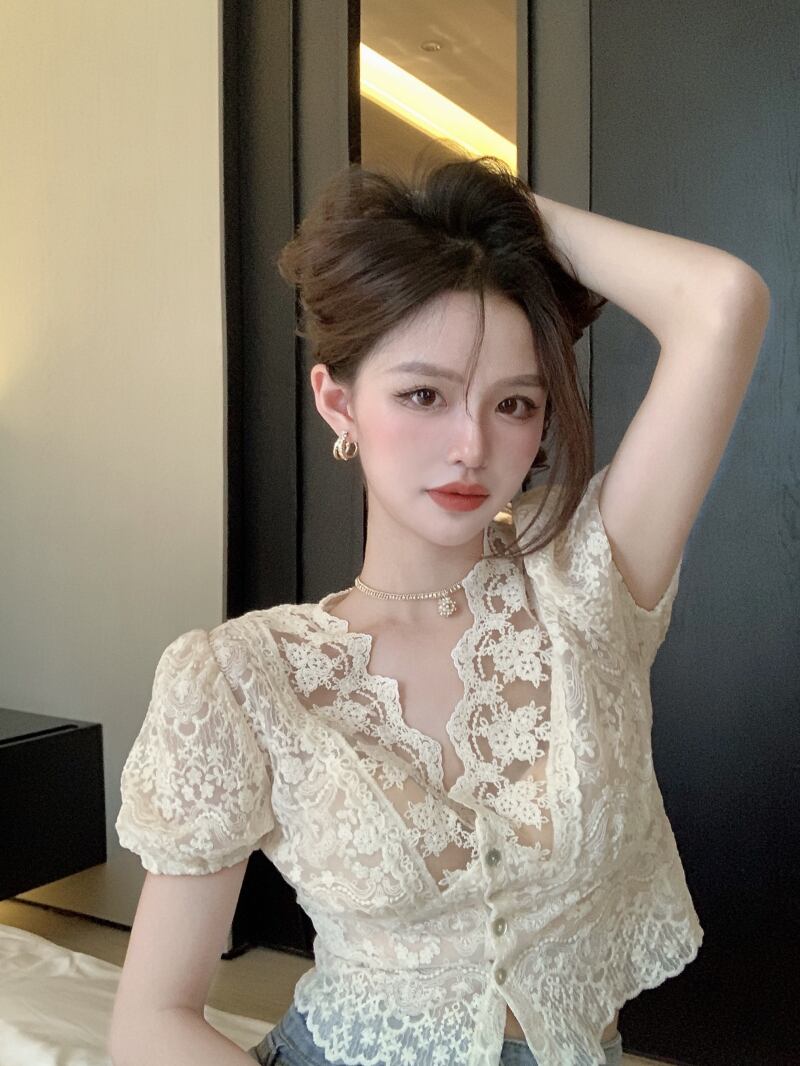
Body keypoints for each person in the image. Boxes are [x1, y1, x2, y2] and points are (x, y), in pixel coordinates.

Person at [108, 155, 770, 1066]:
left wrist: (494, 217)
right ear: (339, 403)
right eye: (423, 394)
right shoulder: (243, 676)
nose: (471, 445)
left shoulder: (589, 585)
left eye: (514, 404)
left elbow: (722, 304)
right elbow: (151, 1021)